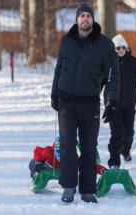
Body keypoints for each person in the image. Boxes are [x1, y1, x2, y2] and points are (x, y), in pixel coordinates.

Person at [50, 2, 119, 204]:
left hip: (89, 103)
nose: (85, 19)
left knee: (89, 146)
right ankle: (69, 187)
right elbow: (59, 68)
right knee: (67, 144)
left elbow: (113, 76)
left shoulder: (105, 44)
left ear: (93, 19)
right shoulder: (67, 40)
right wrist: (54, 94)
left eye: (88, 16)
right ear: (77, 19)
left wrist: (112, 102)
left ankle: (88, 190)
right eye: (82, 16)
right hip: (66, 102)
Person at [106, 34, 136, 169]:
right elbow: (100, 82)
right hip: (114, 105)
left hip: (130, 104)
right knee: (116, 133)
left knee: (129, 132)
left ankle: (125, 151)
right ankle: (114, 161)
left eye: (123, 47)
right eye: (118, 48)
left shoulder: (133, 62)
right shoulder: (109, 64)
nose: (121, 50)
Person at [28, 136, 107, 179]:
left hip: (60, 169)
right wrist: (38, 161)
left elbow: (86, 164)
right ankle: (33, 173)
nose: (60, 155)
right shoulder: (48, 152)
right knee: (33, 164)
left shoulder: (71, 157)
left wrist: (102, 170)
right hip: (45, 165)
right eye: (58, 151)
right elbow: (37, 150)